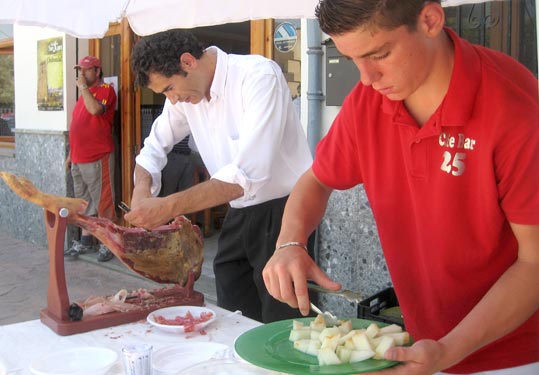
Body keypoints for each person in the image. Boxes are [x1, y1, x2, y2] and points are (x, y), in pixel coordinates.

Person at [262, 1, 539, 374]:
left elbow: (534, 263)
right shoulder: (367, 102)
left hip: (513, 356)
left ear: (429, 20)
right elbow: (317, 180)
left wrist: (448, 350)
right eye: (351, 59)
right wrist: (290, 243)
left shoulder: (515, 109)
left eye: (379, 54)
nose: (366, 78)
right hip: (421, 346)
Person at [126, 29, 314, 323]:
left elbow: (249, 173)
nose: (172, 100)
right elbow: (154, 147)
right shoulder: (186, 97)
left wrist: (167, 207)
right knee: (232, 307)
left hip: (284, 210)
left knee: (283, 318)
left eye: (169, 89)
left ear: (188, 62)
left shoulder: (258, 76)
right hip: (238, 212)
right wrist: (142, 189)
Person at [64, 56, 117, 262]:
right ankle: (86, 241)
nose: (82, 74)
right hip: (78, 158)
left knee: (104, 202)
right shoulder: (84, 96)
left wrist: (84, 88)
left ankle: (109, 243)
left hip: (98, 156)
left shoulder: (105, 90)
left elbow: (95, 111)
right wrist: (70, 155)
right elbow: (77, 125)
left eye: (86, 70)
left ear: (97, 71)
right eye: (80, 70)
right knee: (84, 203)